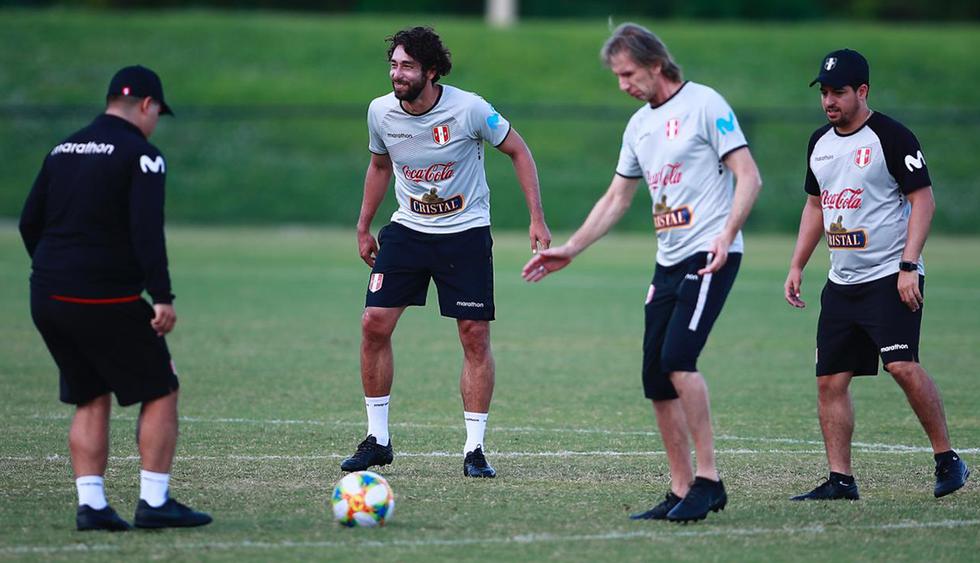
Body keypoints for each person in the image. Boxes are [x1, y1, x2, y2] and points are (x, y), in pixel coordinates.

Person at [522, 23, 762, 522]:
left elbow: (748, 176)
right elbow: (617, 198)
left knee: (679, 360)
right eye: (617, 76)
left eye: (628, 73)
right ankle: (679, 488)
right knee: (656, 377)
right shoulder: (638, 127)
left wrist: (726, 234)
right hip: (669, 261)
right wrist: (572, 248)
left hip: (710, 254)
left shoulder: (705, 105)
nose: (623, 84)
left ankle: (709, 481)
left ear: (656, 65)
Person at [341, 27, 551, 478]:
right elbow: (379, 165)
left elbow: (518, 150)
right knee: (373, 323)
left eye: (408, 66)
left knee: (473, 335)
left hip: (465, 234)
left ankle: (475, 450)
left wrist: (537, 217)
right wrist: (363, 226)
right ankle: (377, 440)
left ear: (431, 72)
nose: (398, 74)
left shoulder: (470, 109)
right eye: (394, 65)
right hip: (408, 231)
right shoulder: (380, 112)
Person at [19, 65, 211, 531]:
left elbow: (29, 222)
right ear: (147, 106)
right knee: (162, 387)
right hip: (102, 297)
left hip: (47, 294)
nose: (155, 123)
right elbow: (147, 231)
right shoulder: (142, 155)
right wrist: (161, 296)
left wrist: (54, 270)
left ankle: (92, 506)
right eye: (156, 114)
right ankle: (154, 500)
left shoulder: (62, 148)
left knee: (90, 394)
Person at [784, 49, 969, 501]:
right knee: (830, 380)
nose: (829, 101)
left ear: (862, 92)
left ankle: (948, 459)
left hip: (891, 276)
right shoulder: (819, 143)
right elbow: (815, 206)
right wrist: (797, 264)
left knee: (902, 366)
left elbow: (923, 201)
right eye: (825, 92)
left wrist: (909, 265)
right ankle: (840, 480)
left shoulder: (892, 136)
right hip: (843, 283)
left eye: (839, 93)